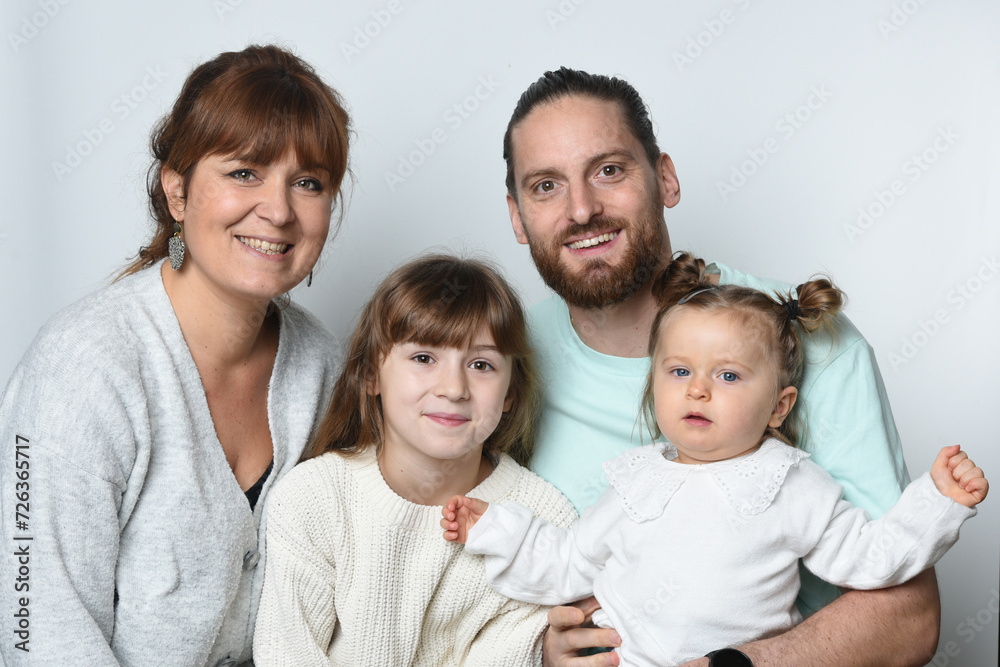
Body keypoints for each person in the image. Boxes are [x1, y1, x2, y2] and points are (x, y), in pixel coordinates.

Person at [500, 67, 941, 666]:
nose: (582, 209)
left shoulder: (809, 340)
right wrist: (537, 652)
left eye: (609, 170)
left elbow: (910, 619)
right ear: (517, 216)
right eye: (546, 185)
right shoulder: (498, 361)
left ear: (665, 178)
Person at [441, 254, 988, 667]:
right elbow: (565, 562)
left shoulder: (791, 481)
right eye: (680, 372)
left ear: (779, 406)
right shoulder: (636, 481)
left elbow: (872, 560)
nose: (698, 391)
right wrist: (491, 528)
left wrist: (938, 501)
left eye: (727, 376)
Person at [0, 45, 350, 666]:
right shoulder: (84, 367)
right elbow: (38, 625)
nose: (277, 210)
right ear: (178, 192)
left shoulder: (323, 366)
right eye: (244, 172)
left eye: (308, 182)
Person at [252, 255, 577, 666]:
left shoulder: (544, 524)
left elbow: (514, 653)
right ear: (371, 373)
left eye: (481, 365)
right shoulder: (314, 498)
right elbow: (287, 654)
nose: (454, 388)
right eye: (424, 358)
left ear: (510, 392)